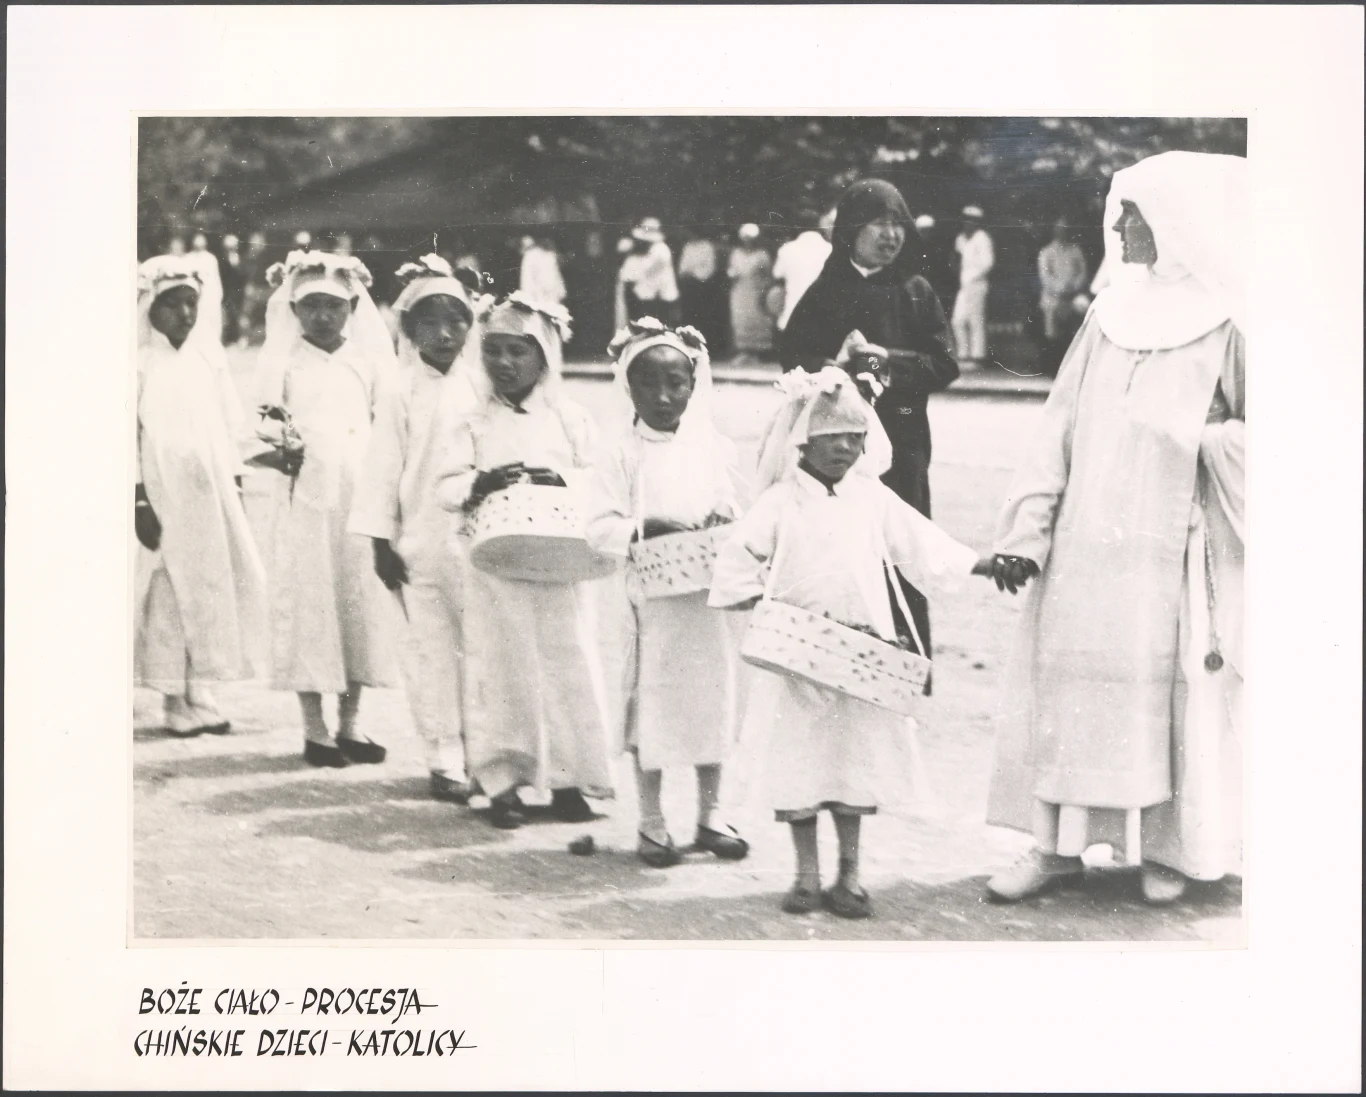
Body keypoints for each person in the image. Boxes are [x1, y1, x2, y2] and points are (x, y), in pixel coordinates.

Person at [983, 151, 1246, 906]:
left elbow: (1274, 438)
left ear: (1178, 221)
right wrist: (1025, 532)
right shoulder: (1108, 314)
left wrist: (1199, 438)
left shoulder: (1230, 320)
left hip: (1180, 546)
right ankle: (1057, 847)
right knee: (1072, 690)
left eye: (1134, 213)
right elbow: (1057, 426)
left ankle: (1174, 849)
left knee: (1171, 693)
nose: (1119, 225)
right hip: (1085, 545)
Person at [709, 368, 984, 918]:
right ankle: (807, 873)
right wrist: (755, 599)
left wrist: (979, 562)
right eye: (831, 435)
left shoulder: (871, 497)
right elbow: (739, 555)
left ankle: (850, 874)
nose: (844, 447)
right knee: (800, 765)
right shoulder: (781, 501)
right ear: (802, 438)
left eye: (855, 436)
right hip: (798, 660)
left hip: (860, 653)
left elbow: (919, 541)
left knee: (852, 762)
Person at [434, 292, 614, 830]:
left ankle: (567, 779)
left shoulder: (570, 418)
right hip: (494, 564)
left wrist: (559, 481)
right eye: (494, 351)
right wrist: (480, 482)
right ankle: (502, 781)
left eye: (519, 352)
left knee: (567, 663)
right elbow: (444, 483)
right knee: (500, 668)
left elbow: (600, 479)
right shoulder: (472, 422)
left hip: (560, 561)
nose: (505, 364)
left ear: (544, 358)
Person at [779, 178, 959, 689]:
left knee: (901, 545)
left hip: (902, 444)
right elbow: (793, 356)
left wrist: (890, 360)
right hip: (836, 448)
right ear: (852, 230)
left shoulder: (916, 291)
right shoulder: (826, 289)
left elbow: (945, 364)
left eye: (897, 223)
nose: (889, 235)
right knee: (838, 545)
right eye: (878, 223)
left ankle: (906, 666)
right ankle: (837, 661)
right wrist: (832, 365)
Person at [587, 318, 748, 868]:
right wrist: (642, 528)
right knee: (652, 705)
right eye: (648, 384)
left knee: (712, 698)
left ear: (693, 384)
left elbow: (731, 508)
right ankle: (652, 820)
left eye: (676, 383)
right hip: (649, 605)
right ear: (626, 388)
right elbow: (597, 525)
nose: (663, 396)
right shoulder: (620, 453)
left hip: (704, 600)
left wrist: (721, 519)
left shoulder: (712, 447)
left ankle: (712, 814)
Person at [253, 250, 400, 768]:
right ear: (294, 310)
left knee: (358, 604)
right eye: (310, 305)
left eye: (332, 306)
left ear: (352, 306)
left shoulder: (367, 361)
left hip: (358, 502)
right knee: (313, 606)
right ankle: (314, 730)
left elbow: (388, 428)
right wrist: (283, 453)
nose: (322, 316)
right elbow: (258, 433)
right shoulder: (283, 363)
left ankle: (351, 725)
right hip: (308, 505)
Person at [349, 254, 487, 804]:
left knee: (477, 651)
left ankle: (481, 753)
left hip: (476, 544)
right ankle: (442, 758)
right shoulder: (400, 392)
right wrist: (382, 542)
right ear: (408, 330)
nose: (444, 333)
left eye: (455, 320)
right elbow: (382, 469)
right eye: (429, 322)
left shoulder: (481, 387)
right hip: (421, 545)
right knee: (431, 652)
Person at [135, 255, 268, 736]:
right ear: (150, 307)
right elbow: (128, 435)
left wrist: (234, 480)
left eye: (191, 304)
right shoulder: (140, 363)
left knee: (212, 586)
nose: (184, 315)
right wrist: (139, 500)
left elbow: (230, 424)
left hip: (209, 492)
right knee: (172, 591)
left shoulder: (209, 358)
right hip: (161, 491)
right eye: (172, 305)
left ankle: (200, 688)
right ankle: (171, 699)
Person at [1036, 218, 1090, 377]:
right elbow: (1045, 276)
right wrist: (1060, 288)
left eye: (1065, 229)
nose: (1062, 232)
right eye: (1059, 229)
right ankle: (1052, 368)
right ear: (1054, 231)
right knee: (1052, 331)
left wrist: (1073, 286)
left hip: (1072, 296)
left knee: (1076, 325)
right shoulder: (1046, 252)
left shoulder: (1075, 251)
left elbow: (1082, 272)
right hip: (1053, 297)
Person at [771, 209, 833, 333]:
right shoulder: (830, 250)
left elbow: (777, 276)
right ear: (818, 225)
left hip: (791, 318)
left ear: (797, 226)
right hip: (822, 320)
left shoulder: (786, 250)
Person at [616, 217, 679, 330]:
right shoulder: (642, 252)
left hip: (661, 299)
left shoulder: (661, 249)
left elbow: (650, 273)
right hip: (648, 299)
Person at [564, 229, 618, 360]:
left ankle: (598, 350)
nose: (594, 244)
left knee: (599, 325)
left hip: (601, 301)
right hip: (584, 301)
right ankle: (584, 352)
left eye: (597, 242)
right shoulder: (580, 261)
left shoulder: (606, 261)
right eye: (591, 242)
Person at [952, 205, 994, 366]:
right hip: (964, 285)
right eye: (966, 220)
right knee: (958, 320)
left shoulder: (982, 238)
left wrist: (971, 277)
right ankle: (964, 354)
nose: (968, 224)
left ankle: (977, 357)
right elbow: (958, 260)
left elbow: (987, 263)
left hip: (977, 284)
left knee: (976, 320)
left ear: (977, 223)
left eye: (972, 221)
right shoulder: (961, 238)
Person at [726, 223, 775, 361]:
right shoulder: (736, 253)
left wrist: (763, 289)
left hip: (756, 291)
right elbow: (731, 270)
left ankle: (757, 353)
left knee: (757, 319)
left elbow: (767, 275)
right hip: (739, 290)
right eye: (746, 238)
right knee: (740, 319)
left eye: (751, 238)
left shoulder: (762, 255)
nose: (748, 241)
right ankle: (743, 352)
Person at [676, 229, 729, 355]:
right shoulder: (687, 247)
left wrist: (697, 276)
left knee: (704, 319)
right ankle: (689, 347)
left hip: (703, 288)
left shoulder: (707, 246)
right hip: (689, 287)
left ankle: (707, 349)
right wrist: (687, 275)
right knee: (689, 318)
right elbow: (682, 267)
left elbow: (710, 268)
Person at [519, 233, 567, 306]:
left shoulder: (551, 254)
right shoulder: (530, 255)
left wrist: (559, 292)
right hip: (537, 299)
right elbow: (526, 282)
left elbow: (556, 277)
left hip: (553, 299)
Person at [219, 234, 246, 346]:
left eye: (234, 246)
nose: (232, 248)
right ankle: (229, 340)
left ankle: (239, 337)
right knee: (229, 316)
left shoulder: (240, 258)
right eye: (229, 247)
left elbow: (243, 274)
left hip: (239, 291)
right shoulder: (222, 260)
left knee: (239, 315)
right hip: (227, 292)